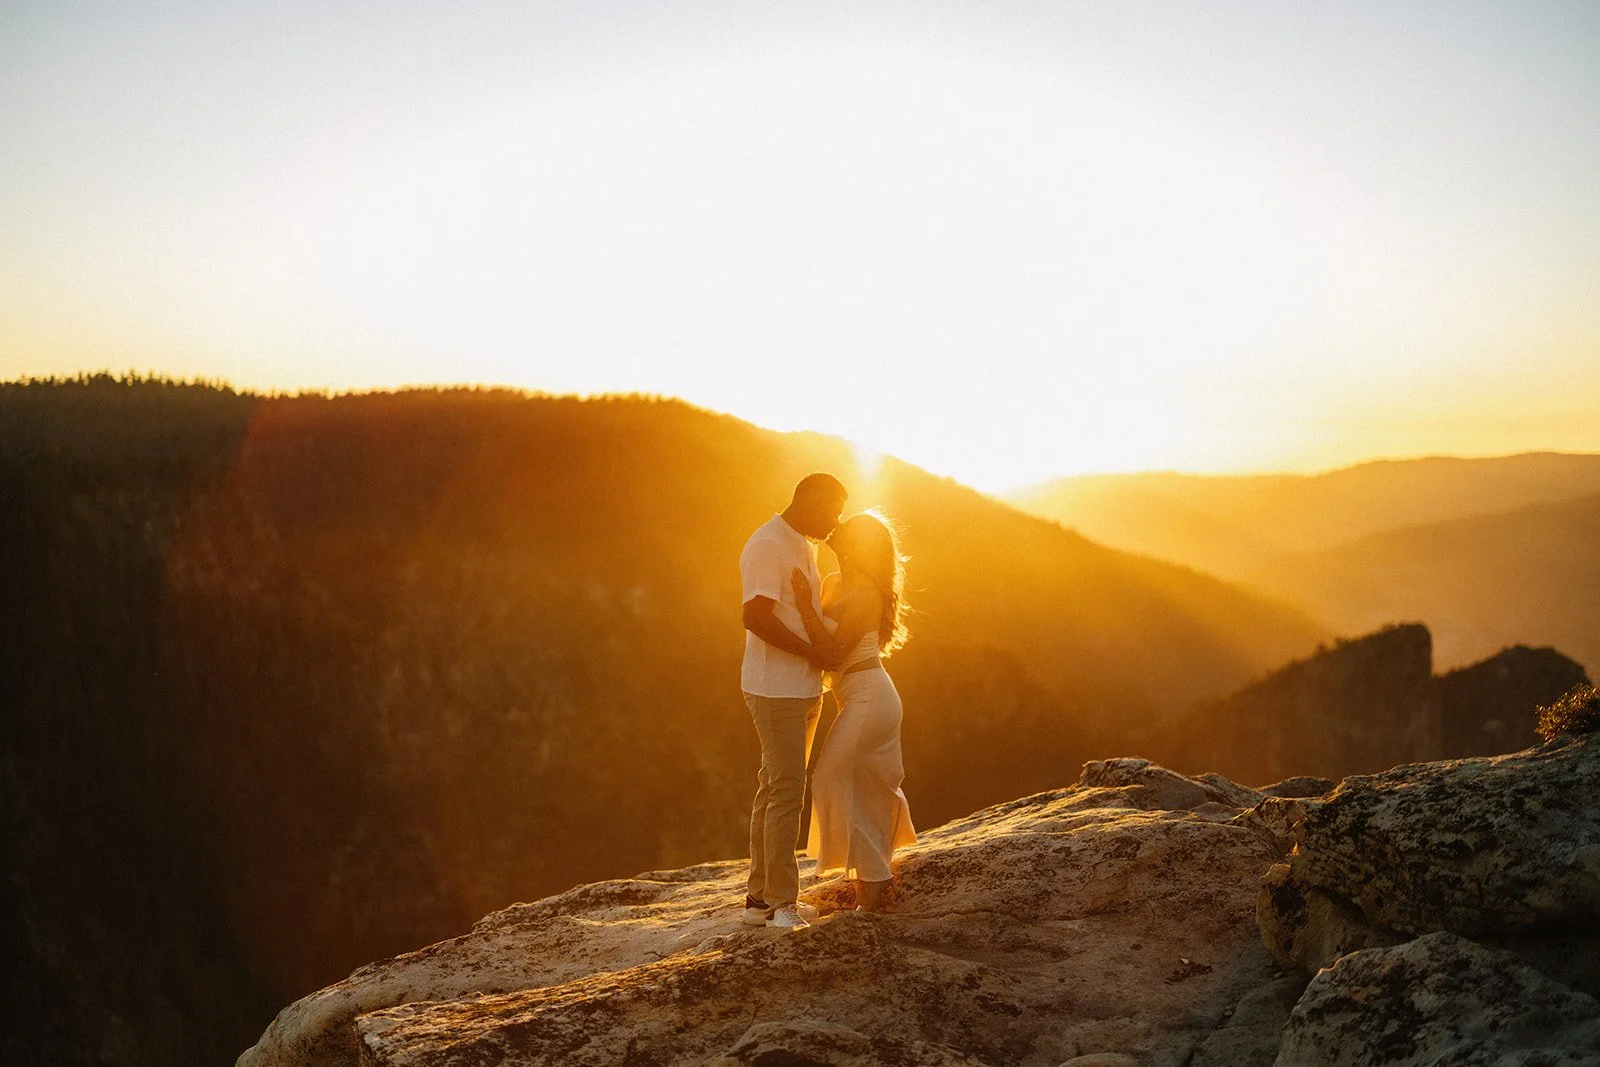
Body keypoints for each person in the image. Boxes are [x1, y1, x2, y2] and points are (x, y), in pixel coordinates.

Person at [739, 473, 849, 930]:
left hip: (802, 687)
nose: (835, 520)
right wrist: (812, 652)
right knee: (786, 792)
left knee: (774, 788)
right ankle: (782, 903)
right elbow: (755, 616)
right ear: (809, 500)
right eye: (832, 510)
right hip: (775, 687)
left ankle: (759, 900)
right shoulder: (768, 544)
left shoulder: (805, 544)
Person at [791, 510, 916, 912]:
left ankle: (875, 879)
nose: (837, 526)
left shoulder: (866, 593)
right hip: (854, 697)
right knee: (860, 787)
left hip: (870, 696)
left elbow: (833, 652)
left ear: (859, 545)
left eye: (848, 528)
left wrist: (804, 608)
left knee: (830, 776)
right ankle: (873, 888)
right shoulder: (832, 582)